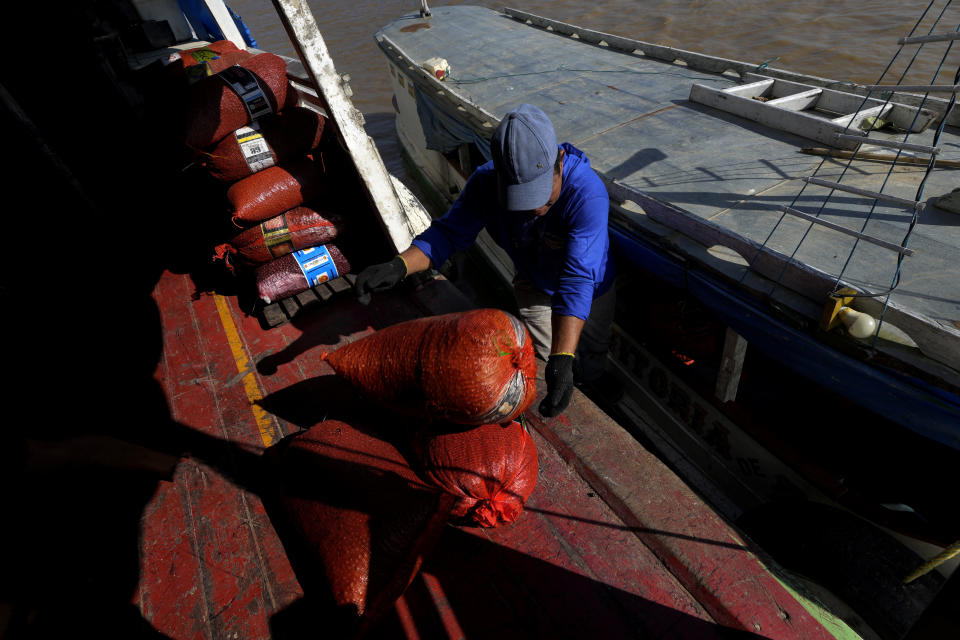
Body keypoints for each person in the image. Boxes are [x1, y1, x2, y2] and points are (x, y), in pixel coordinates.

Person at [354, 103, 618, 418]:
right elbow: (448, 235)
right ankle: (572, 397)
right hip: (535, 284)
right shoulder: (484, 184)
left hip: (593, 284)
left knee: (593, 346)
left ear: (559, 162)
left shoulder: (587, 194)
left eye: (542, 196)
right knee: (547, 361)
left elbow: (577, 280)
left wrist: (566, 355)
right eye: (521, 198)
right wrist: (399, 265)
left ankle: (594, 377)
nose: (533, 209)